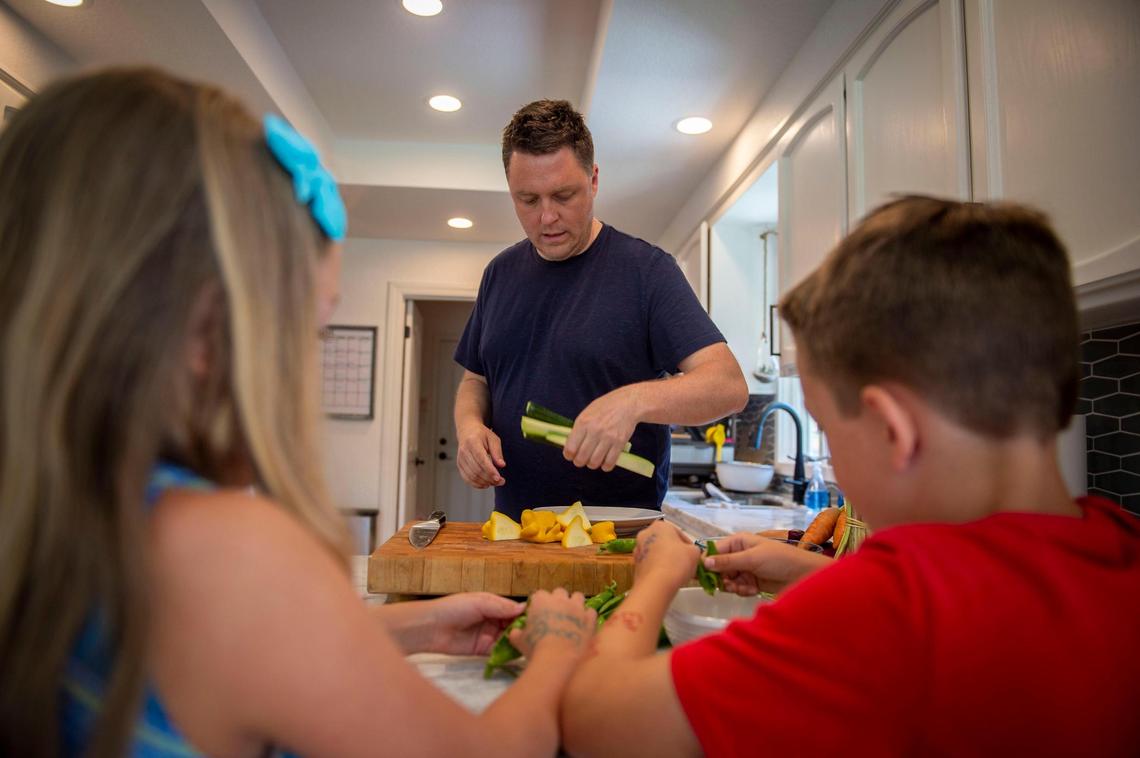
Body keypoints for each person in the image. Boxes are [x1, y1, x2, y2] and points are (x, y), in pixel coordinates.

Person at [0, 68, 596, 758]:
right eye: (305, 333)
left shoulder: (62, 511)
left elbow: (228, 656)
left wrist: (411, 628)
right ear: (209, 328)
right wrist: (558, 649)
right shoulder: (229, 550)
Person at [559, 196, 1140, 755]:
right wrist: (811, 574)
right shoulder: (1119, 544)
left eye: (829, 429)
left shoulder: (885, 609)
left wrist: (658, 577)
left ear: (893, 431)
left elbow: (599, 720)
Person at [453, 99, 748, 519]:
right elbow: (474, 380)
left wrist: (632, 402)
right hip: (516, 531)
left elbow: (729, 386)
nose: (547, 217)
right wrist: (469, 429)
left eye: (563, 195)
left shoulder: (647, 271)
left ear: (593, 180)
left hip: (617, 537)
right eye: (528, 200)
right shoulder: (499, 274)